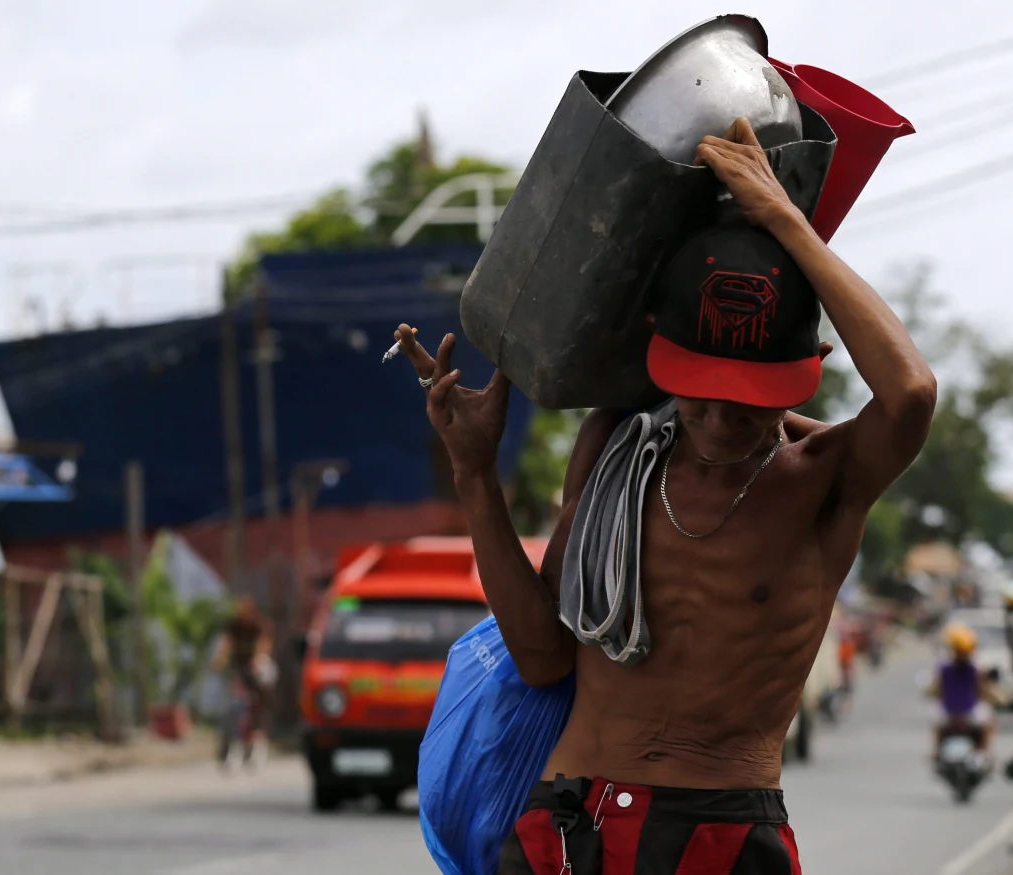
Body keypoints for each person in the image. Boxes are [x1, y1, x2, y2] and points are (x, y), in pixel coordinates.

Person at [397, 115, 936, 874]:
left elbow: (910, 393)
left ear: (809, 365)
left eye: (748, 399)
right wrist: (476, 476)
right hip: (569, 821)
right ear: (660, 350)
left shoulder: (824, 481)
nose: (719, 421)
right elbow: (545, 657)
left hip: (718, 830)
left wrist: (781, 216)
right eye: (700, 392)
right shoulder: (613, 447)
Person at [211, 596, 274, 755]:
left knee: (259, 698)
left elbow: (264, 644)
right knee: (232, 701)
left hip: (254, 666)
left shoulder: (259, 624)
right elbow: (226, 643)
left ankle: (257, 732)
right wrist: (219, 659)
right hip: (237, 665)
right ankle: (227, 738)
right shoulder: (234, 625)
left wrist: (258, 659)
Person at [927, 624, 995, 761]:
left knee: (937, 725)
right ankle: (984, 751)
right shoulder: (976, 670)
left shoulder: (944, 669)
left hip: (948, 712)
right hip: (969, 712)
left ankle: (936, 751)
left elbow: (937, 691)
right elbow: (981, 692)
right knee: (989, 723)